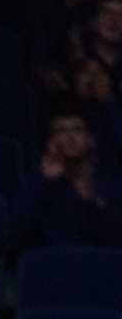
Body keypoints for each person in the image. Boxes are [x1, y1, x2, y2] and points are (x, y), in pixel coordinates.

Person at [10, 102, 122, 250]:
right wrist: (43, 181)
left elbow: (116, 240)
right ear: (51, 141)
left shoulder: (111, 182)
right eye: (61, 131)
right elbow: (13, 235)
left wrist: (92, 201)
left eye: (77, 129)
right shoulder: (37, 180)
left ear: (91, 140)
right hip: (54, 266)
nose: (70, 137)